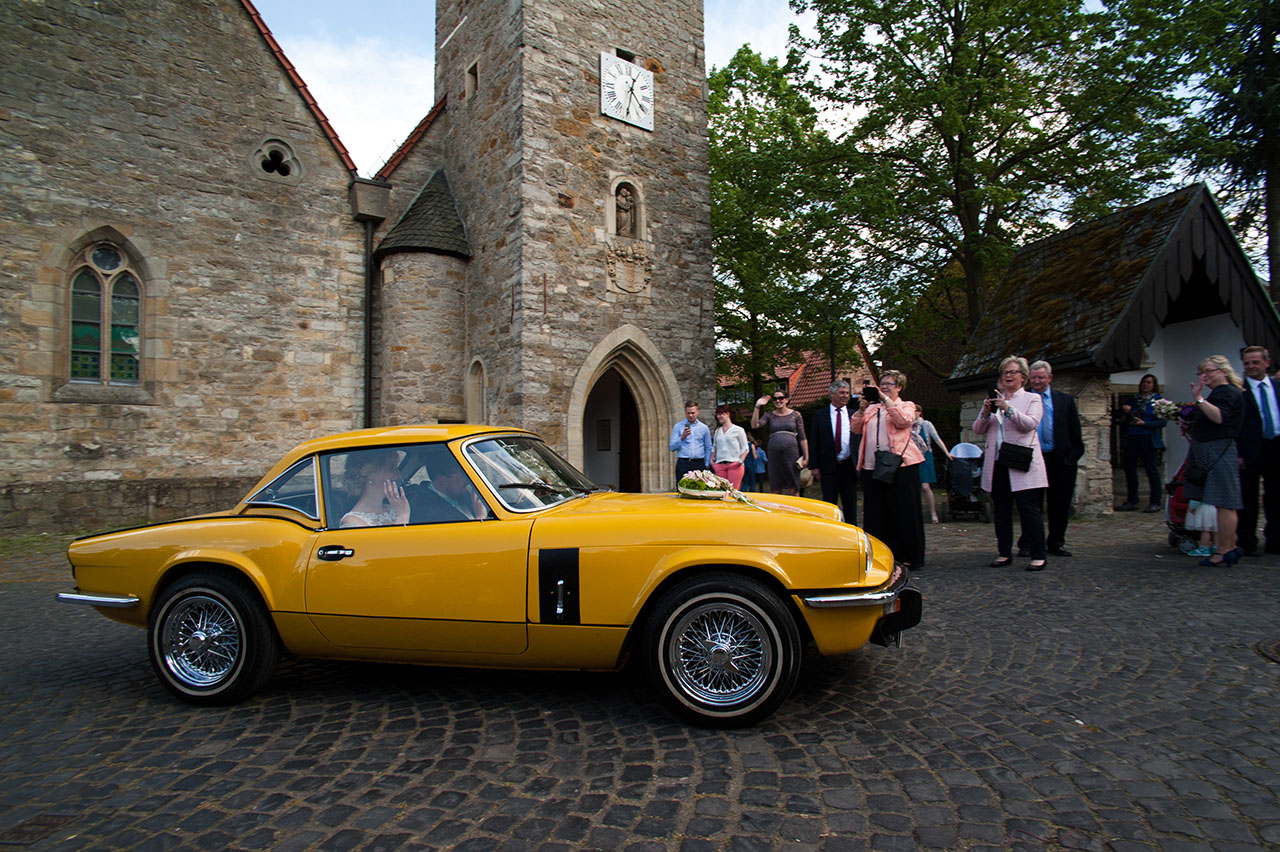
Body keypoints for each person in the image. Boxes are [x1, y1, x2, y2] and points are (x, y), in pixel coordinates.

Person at [974, 356, 1048, 571]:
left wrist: (1008, 408)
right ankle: (1004, 552)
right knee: (1002, 510)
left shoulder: (1032, 399)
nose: (1007, 376)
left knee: (1029, 510)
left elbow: (1030, 424)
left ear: (1023, 377)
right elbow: (978, 429)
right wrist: (987, 412)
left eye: (1012, 372)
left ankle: (1038, 554)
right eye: (1004, 372)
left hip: (1021, 462)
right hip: (998, 463)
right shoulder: (993, 399)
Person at [851, 370, 925, 569]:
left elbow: (903, 421)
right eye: (881, 384)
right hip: (872, 467)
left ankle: (911, 555)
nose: (883, 387)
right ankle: (881, 555)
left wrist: (885, 400)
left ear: (899, 387)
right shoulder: (872, 409)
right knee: (876, 514)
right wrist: (861, 410)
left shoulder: (905, 405)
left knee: (904, 511)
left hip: (901, 467)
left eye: (888, 384)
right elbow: (855, 429)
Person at [1186, 355, 1245, 566]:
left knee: (1224, 502)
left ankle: (1224, 549)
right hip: (1215, 449)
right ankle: (1229, 546)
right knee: (1223, 503)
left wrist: (1200, 399)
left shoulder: (1226, 392)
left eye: (1209, 371)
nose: (1205, 376)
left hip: (1219, 450)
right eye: (1202, 372)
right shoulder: (1221, 393)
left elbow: (1219, 417)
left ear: (1223, 371)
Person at [1024, 360, 1084, 557]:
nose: (1037, 381)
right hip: (1033, 459)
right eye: (1033, 378)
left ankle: (1056, 542)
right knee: (1032, 504)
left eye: (1041, 377)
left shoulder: (1064, 400)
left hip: (1060, 460)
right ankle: (1029, 543)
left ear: (1049, 378)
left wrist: (1071, 457)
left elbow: (1075, 432)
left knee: (1060, 503)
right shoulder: (1024, 399)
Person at [1237, 346, 1280, 556]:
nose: (1251, 367)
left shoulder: (1277, 387)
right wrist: (1237, 453)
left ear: (1267, 362)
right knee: (1248, 497)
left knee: (1276, 496)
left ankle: (1276, 540)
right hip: (1249, 449)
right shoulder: (1239, 391)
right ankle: (1247, 541)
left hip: (1276, 446)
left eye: (1255, 362)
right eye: (1247, 363)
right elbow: (1234, 424)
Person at [809, 380, 859, 523]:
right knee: (829, 503)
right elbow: (814, 441)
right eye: (841, 393)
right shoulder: (820, 415)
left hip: (849, 465)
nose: (845, 396)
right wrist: (814, 466)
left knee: (850, 503)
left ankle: (852, 531)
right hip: (828, 466)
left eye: (847, 393)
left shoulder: (853, 415)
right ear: (831, 393)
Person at [1117, 373, 1166, 513]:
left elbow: (1162, 422)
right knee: (1130, 469)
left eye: (1149, 382)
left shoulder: (1159, 401)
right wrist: (1124, 410)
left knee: (1151, 470)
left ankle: (1155, 501)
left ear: (1154, 385)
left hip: (1148, 437)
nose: (1146, 384)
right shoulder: (1134, 400)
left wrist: (1146, 424)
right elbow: (1119, 415)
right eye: (1144, 382)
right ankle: (1132, 500)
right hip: (1132, 437)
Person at [752, 390, 809, 495]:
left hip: (791, 453)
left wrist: (806, 456)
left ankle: (795, 510)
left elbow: (802, 436)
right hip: (775, 455)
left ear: (786, 399)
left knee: (794, 486)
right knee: (776, 486)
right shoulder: (769, 416)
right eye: (775, 399)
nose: (778, 401)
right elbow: (755, 425)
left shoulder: (795, 415)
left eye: (781, 398)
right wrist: (757, 406)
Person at [339, 449, 410, 528]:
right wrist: (402, 518)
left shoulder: (393, 510)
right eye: (391, 468)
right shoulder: (351, 522)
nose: (399, 475)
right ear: (370, 473)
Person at [911, 403, 951, 524]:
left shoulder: (926, 425)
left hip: (924, 456)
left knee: (925, 486)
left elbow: (937, 439)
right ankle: (914, 514)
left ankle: (933, 512)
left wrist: (947, 453)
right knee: (912, 488)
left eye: (915, 411)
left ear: (919, 412)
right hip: (911, 457)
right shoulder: (907, 425)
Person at [669, 401, 712, 481]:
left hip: (699, 463)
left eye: (693, 413)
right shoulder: (678, 426)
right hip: (683, 462)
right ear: (685, 413)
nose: (690, 415)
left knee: (699, 490)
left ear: (697, 412)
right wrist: (682, 437)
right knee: (682, 488)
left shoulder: (704, 428)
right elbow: (671, 447)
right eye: (688, 413)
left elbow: (708, 447)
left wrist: (706, 463)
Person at [711, 404, 749, 489]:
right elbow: (714, 447)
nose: (719, 416)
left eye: (721, 414)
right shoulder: (717, 431)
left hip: (734, 464)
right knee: (721, 491)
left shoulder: (738, 430)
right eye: (718, 414)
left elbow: (745, 448)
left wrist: (740, 461)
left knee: (733, 490)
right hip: (720, 464)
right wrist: (712, 461)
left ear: (728, 414)